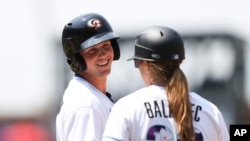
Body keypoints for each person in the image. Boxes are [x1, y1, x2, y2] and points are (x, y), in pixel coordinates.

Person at [102, 26, 229, 141]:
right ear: (179, 63)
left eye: (137, 63)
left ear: (147, 65)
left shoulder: (126, 108)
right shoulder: (211, 112)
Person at [56, 13, 120, 141]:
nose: (103, 54)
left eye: (106, 46)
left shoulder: (93, 98)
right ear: (77, 59)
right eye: (92, 50)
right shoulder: (86, 106)